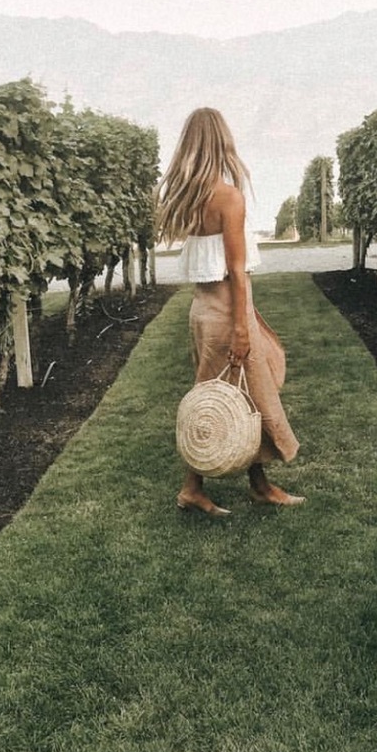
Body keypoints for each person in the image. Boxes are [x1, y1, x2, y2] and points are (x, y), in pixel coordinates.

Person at [157, 107, 304, 516]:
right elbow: (236, 271)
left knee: (235, 393)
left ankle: (256, 483)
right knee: (232, 395)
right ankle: (195, 487)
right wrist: (241, 327)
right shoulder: (227, 197)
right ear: (222, 142)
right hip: (226, 314)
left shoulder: (188, 200)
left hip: (203, 312)